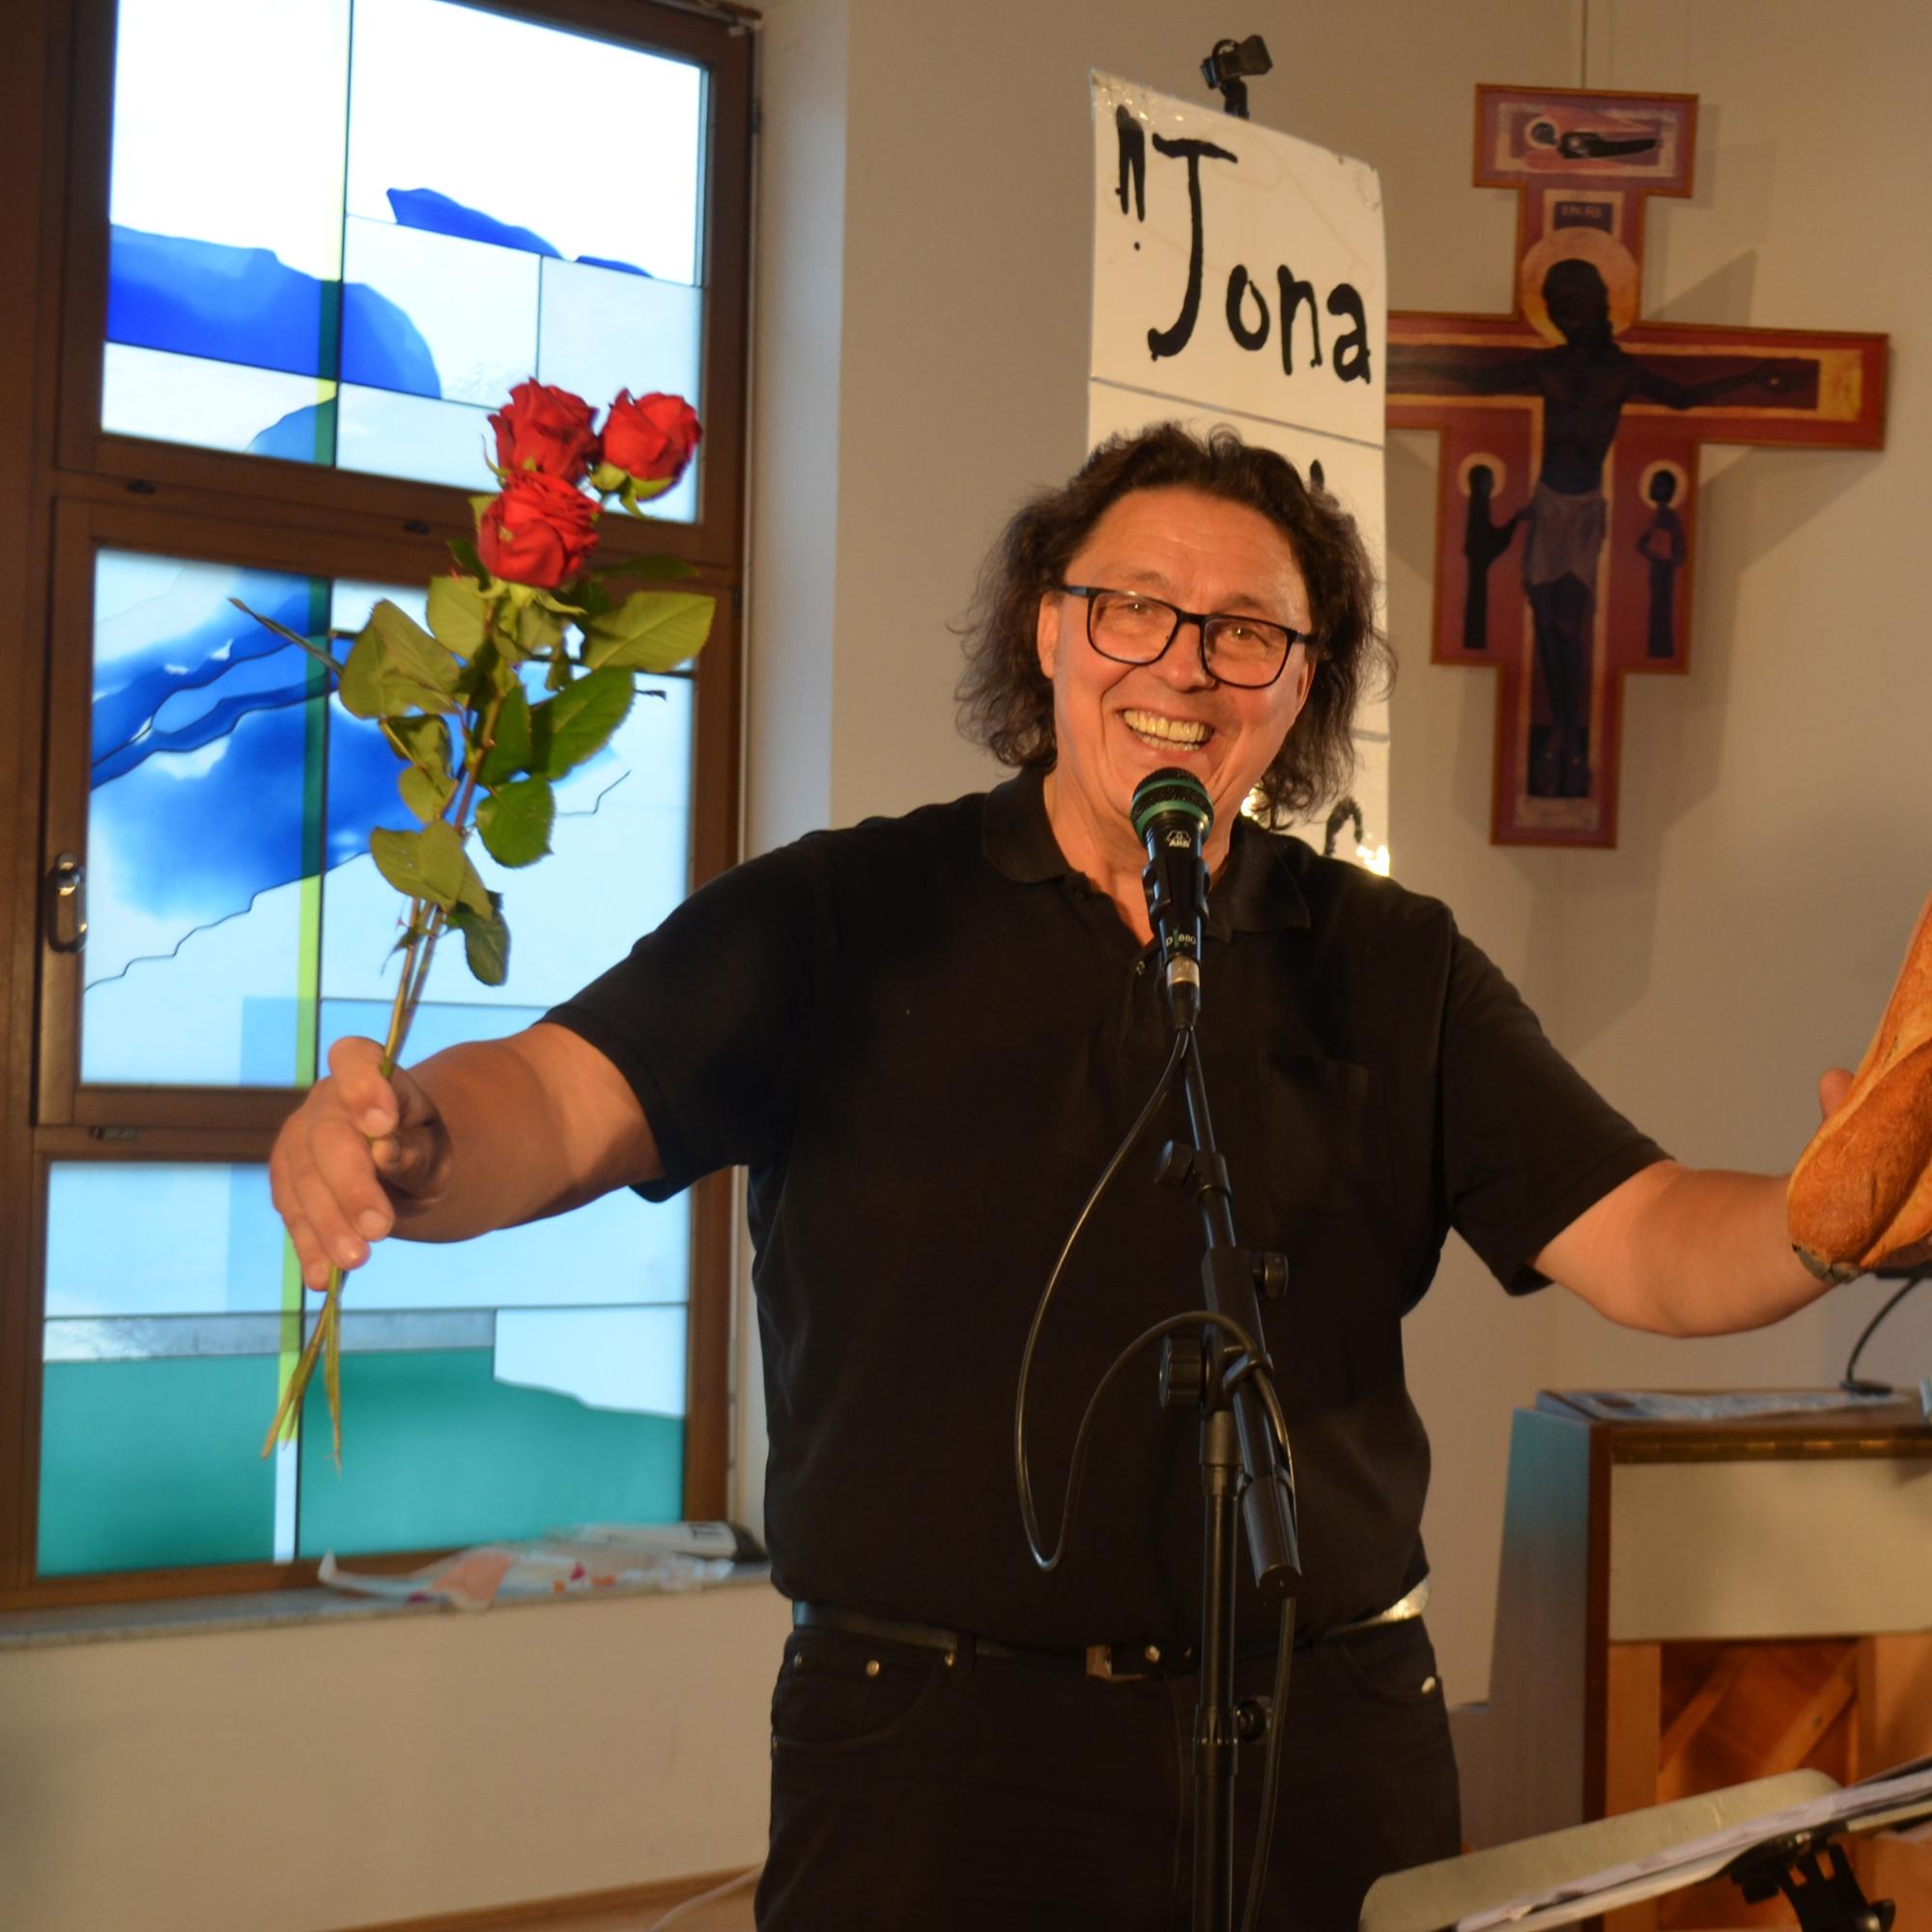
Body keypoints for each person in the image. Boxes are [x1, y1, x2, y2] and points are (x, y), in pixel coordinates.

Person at [271, 423, 1880, 1930]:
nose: (1185, 662)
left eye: (1248, 631)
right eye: (1134, 608)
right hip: (933, 1755)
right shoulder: (842, 916)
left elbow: (1651, 1236)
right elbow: (557, 1104)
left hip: (1327, 1743)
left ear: (1297, 689)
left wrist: (1837, 1212)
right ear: (1048, 632)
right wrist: (411, 1133)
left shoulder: (1392, 963)